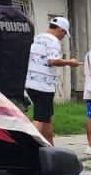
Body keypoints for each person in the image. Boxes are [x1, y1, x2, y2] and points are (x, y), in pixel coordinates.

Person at [25, 17, 80, 145]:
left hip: (31, 82)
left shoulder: (37, 38)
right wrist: (70, 62)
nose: (63, 36)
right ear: (60, 30)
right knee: (40, 117)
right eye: (64, 33)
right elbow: (52, 61)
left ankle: (50, 147)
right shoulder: (53, 41)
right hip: (43, 85)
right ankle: (27, 145)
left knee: (47, 118)